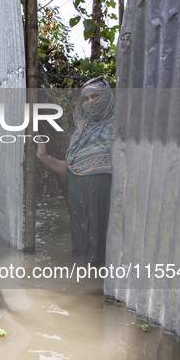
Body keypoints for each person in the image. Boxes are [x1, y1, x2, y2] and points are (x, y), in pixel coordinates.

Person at [36, 77, 113, 266]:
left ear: (107, 98)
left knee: (103, 259)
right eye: (85, 99)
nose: (90, 102)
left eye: (96, 96)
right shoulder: (80, 134)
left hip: (105, 210)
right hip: (79, 210)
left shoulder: (119, 129)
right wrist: (45, 158)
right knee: (82, 258)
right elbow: (71, 170)